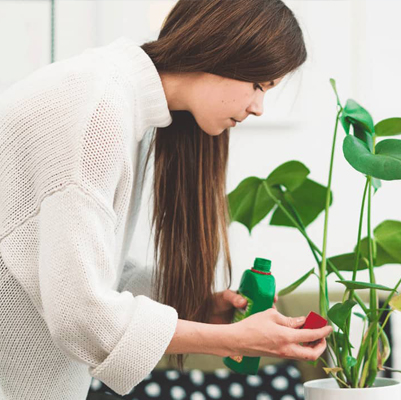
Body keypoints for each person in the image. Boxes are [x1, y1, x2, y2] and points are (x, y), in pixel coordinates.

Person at [0, 1, 332, 399]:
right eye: (259, 85)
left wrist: (195, 306)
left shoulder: (121, 102)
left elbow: (81, 270)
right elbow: (80, 315)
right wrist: (229, 340)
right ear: (219, 49)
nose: (258, 108)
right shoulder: (96, 109)